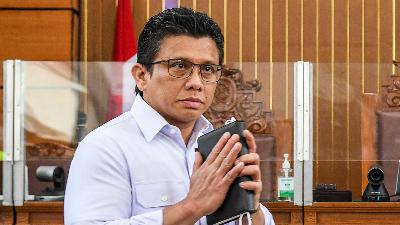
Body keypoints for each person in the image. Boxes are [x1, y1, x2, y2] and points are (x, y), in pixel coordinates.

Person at [64, 7, 275, 225]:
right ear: (141, 76)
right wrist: (193, 206)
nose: (196, 83)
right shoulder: (105, 146)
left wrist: (250, 206)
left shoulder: (218, 145)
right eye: (179, 66)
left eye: (208, 69)